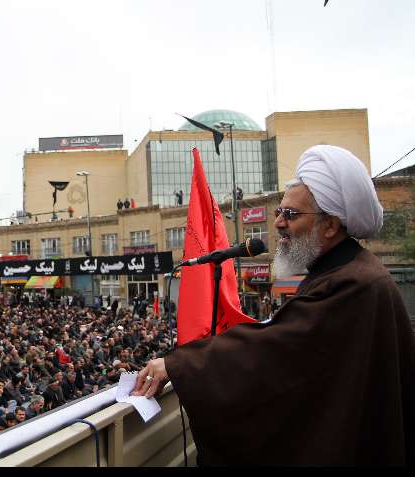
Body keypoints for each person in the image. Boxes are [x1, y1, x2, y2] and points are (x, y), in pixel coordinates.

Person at [132, 145, 415, 465]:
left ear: (331, 225)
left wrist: (179, 365)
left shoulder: (356, 285)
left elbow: (278, 353)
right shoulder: (343, 273)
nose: (278, 223)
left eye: (291, 215)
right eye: (279, 211)